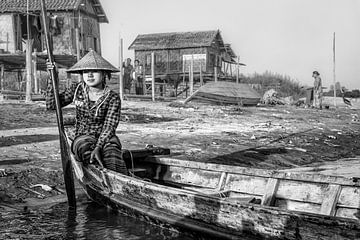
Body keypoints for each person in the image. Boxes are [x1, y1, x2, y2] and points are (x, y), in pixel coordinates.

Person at [46, 49, 128, 175]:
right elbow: (52, 105)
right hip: (83, 137)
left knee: (112, 156)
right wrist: (52, 77)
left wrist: (98, 146)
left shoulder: (112, 97)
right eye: (85, 72)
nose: (89, 75)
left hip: (106, 137)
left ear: (104, 73)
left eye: (94, 71)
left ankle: (122, 183)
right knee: (88, 155)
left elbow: (109, 126)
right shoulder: (77, 89)